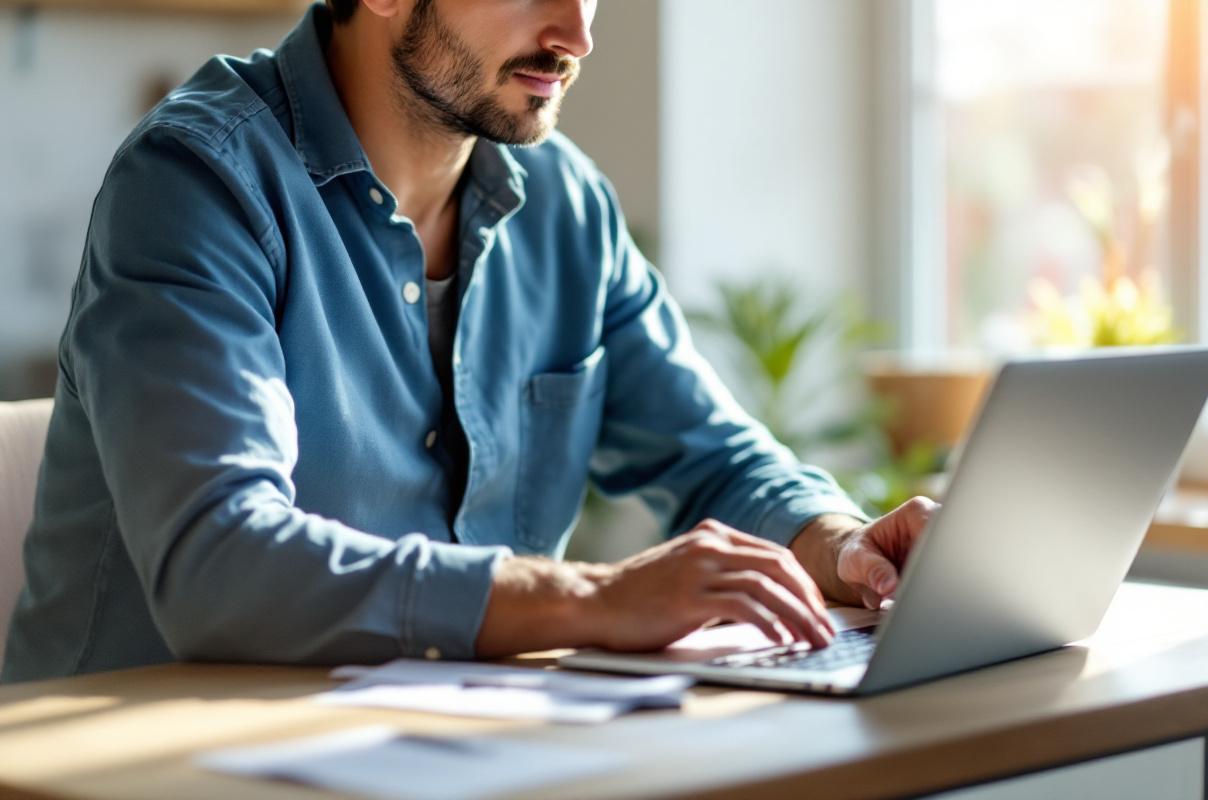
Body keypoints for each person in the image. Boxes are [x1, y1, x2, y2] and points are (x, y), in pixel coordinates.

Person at [1, 0, 936, 684]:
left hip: (437, 751)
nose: (577, 33)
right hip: (143, 766)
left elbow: (716, 460)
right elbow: (221, 561)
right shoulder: (196, 185)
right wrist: (593, 599)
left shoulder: (566, 208)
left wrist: (850, 548)